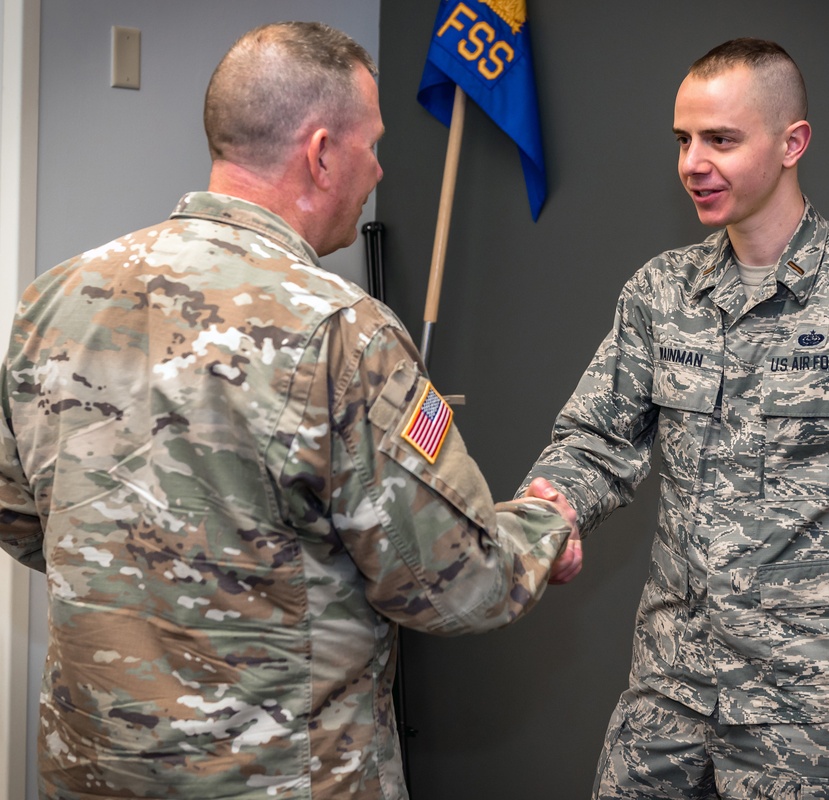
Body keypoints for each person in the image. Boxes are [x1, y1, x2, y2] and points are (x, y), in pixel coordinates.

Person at [0, 21, 580, 800]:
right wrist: (545, 530)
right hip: (281, 778)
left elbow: (23, 515)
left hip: (95, 773)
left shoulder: (53, 300)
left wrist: (154, 577)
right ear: (321, 152)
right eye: (371, 144)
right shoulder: (344, 332)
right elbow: (455, 582)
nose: (378, 168)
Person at [521, 37, 829, 799]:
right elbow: (596, 440)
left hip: (816, 715)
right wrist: (553, 501)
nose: (692, 163)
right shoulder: (660, 292)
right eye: (683, 139)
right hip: (669, 697)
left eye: (721, 139)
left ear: (791, 143)